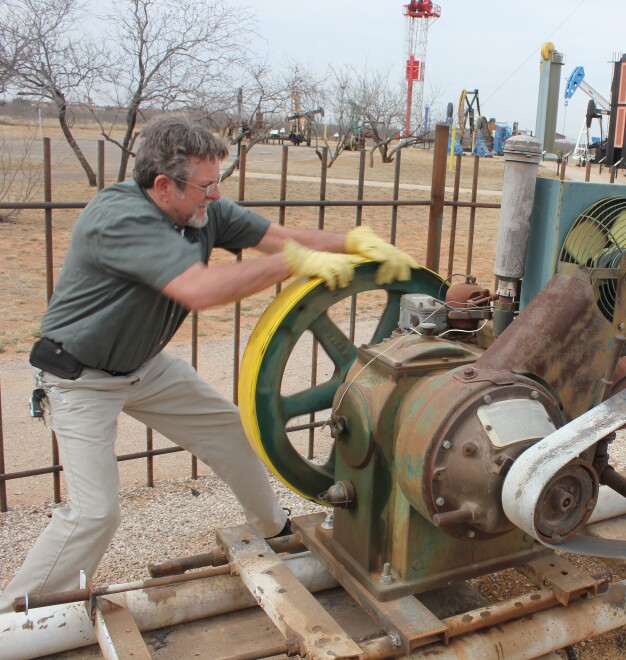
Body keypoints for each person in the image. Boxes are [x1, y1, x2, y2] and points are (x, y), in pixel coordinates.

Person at [0, 114, 418, 613]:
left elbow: (280, 238)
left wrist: (353, 244)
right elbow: (198, 289)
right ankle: (16, 619)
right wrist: (294, 263)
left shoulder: (202, 211)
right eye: (205, 185)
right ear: (162, 186)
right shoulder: (119, 217)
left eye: (217, 181)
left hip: (143, 367)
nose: (215, 194)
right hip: (79, 378)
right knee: (95, 513)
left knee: (232, 431)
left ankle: (277, 533)